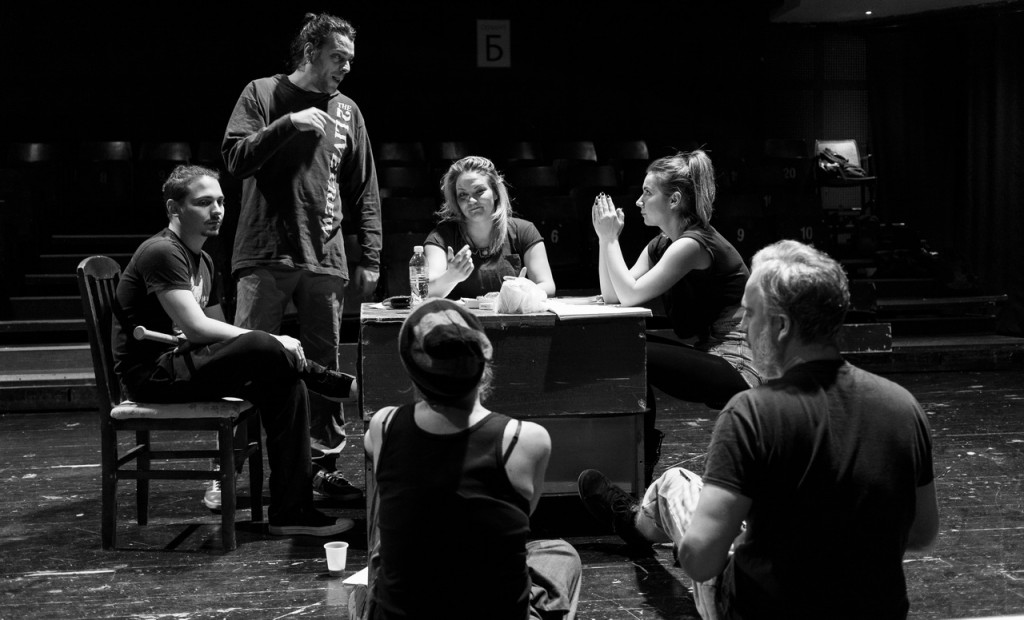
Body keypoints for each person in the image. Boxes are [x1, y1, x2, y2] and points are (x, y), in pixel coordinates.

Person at [578, 240, 940, 619]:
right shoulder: (903, 406)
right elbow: (922, 532)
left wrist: (744, 537)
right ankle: (637, 521)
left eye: (749, 314)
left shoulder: (752, 413)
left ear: (781, 326)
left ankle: (635, 522)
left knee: (674, 484)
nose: (743, 327)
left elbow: (700, 561)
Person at [112, 165, 356, 536]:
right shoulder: (162, 251)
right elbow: (197, 327)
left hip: (183, 364)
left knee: (287, 385)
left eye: (221, 202)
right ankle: (334, 383)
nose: (217, 211)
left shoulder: (205, 260)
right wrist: (270, 341)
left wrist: (263, 347)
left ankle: (292, 511)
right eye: (204, 202)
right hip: (152, 375)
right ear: (174, 209)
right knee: (260, 341)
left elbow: (219, 331)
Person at [222, 12, 381, 503]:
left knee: (324, 368)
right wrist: (287, 124)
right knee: (247, 362)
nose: (346, 67)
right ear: (311, 52)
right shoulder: (263, 93)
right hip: (265, 250)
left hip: (325, 256)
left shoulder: (348, 111)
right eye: (338, 57)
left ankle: (321, 469)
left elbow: (364, 188)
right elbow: (234, 158)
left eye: (350, 59)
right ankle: (231, 470)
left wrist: (371, 255)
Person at [363, 298, 581, 619]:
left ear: (413, 372)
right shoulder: (528, 441)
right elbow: (525, 510)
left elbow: (379, 455)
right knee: (562, 553)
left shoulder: (384, 424)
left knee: (385, 548)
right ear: (483, 367)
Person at [591, 149, 761, 482]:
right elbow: (614, 295)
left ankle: (639, 467)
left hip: (743, 366)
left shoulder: (692, 244)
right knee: (628, 349)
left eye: (647, 192)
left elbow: (630, 295)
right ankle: (637, 466)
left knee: (631, 353)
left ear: (674, 200)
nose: (639, 201)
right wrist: (603, 240)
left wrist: (611, 239)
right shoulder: (662, 244)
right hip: (715, 354)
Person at [425, 155, 556, 300]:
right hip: (458, 315)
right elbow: (426, 291)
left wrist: (523, 294)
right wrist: (450, 277)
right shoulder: (441, 236)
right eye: (462, 195)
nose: (471, 200)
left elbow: (547, 285)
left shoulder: (524, 230)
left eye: (479, 191)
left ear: (495, 193)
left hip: (513, 315)